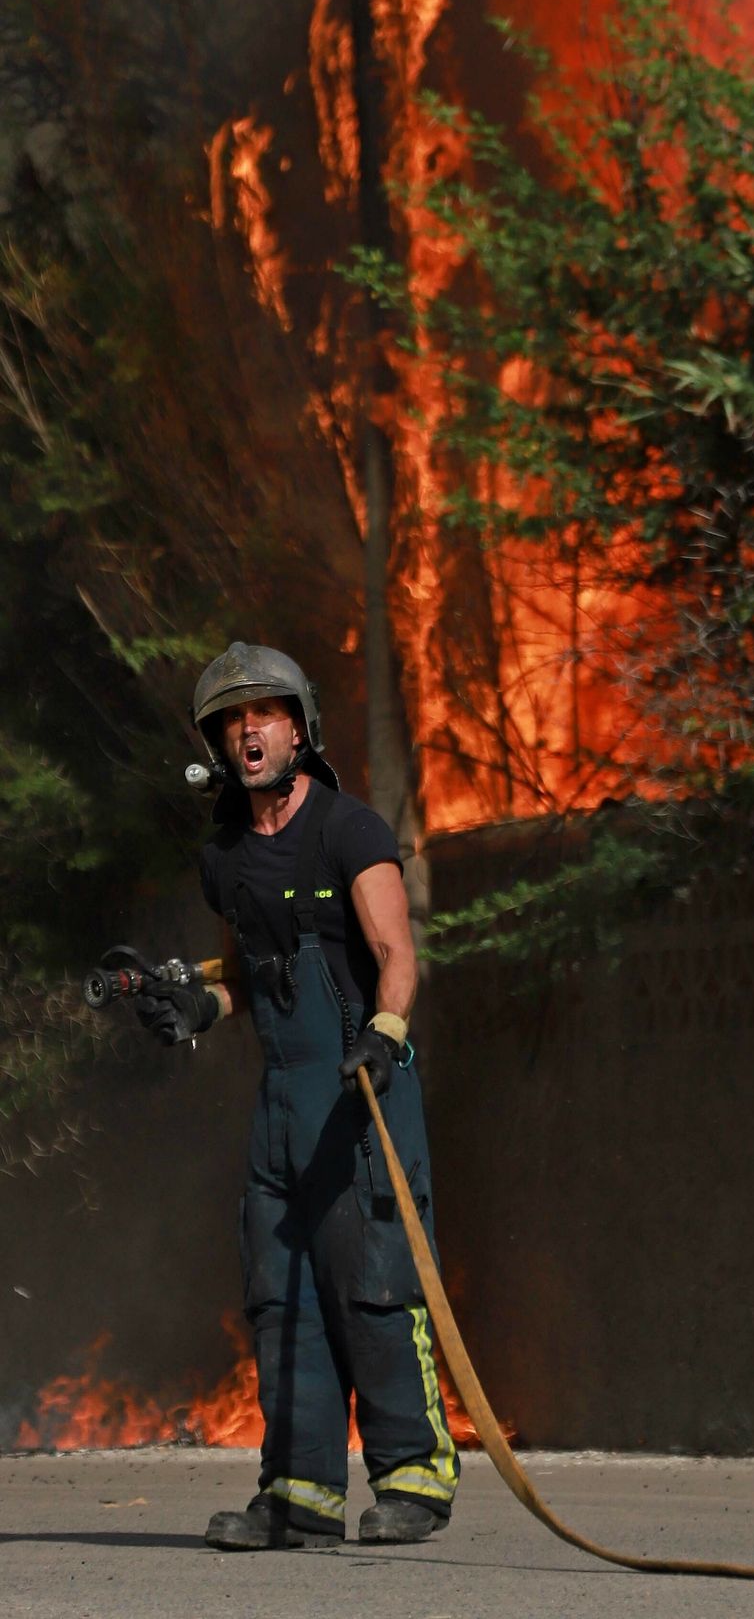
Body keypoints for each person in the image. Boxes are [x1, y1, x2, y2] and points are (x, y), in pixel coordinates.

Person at [134, 639, 458, 1552]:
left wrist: (385, 1036)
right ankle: (300, 1492)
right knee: (284, 1300)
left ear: (299, 728)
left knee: (377, 1289)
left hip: (361, 1099)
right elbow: (244, 974)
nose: (249, 731)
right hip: (280, 1109)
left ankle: (414, 1480)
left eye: (265, 713)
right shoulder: (226, 858)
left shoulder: (349, 829)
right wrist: (198, 1006)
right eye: (232, 719)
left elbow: (396, 954)